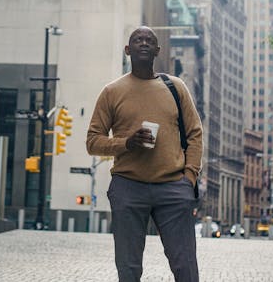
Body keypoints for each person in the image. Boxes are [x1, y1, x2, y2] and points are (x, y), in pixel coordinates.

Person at [86, 26, 203, 282]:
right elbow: (93, 142)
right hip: (128, 187)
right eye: (137, 40)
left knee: (186, 267)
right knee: (128, 269)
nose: (143, 43)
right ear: (128, 50)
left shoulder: (176, 87)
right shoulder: (112, 91)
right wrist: (126, 143)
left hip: (173, 187)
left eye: (149, 40)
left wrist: (188, 178)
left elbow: (195, 134)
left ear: (157, 50)